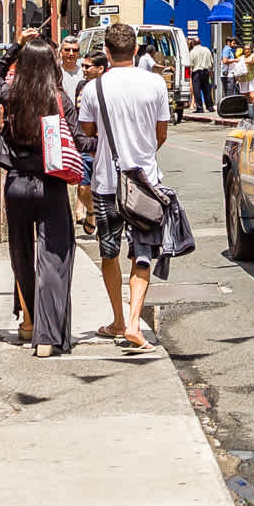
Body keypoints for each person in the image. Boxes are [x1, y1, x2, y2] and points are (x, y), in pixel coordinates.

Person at [82, 22, 172, 349]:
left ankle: (119, 319)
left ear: (106, 52)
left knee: (109, 252)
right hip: (146, 183)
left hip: (107, 183)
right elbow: (162, 134)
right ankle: (135, 321)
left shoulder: (95, 88)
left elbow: (88, 131)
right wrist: (144, 154)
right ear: (135, 50)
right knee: (143, 253)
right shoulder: (155, 84)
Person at [0, 39, 78, 358]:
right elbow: (79, 139)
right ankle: (47, 335)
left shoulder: (12, 96)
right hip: (51, 183)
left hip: (17, 183)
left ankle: (29, 320)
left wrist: (15, 49)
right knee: (54, 257)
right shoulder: (59, 99)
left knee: (21, 255)